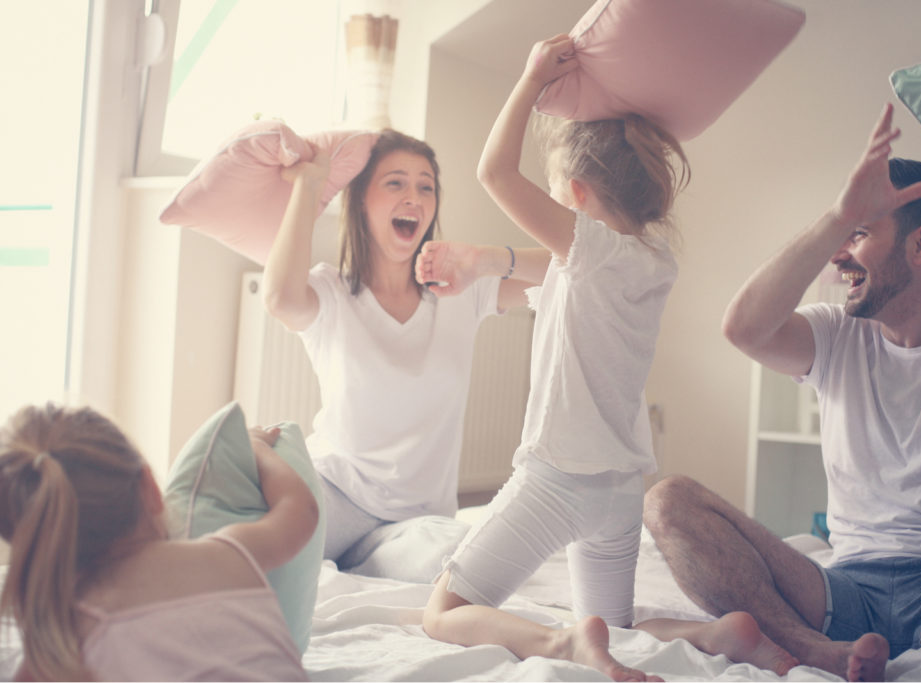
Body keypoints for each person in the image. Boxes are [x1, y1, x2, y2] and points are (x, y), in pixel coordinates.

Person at [421, 34, 798, 682]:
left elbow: (493, 174)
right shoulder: (653, 261)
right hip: (620, 486)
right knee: (616, 627)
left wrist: (530, 80)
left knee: (444, 609)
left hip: (557, 479)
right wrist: (484, 259)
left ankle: (562, 644)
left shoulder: (590, 250)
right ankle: (715, 632)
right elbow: (557, 266)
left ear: (575, 192)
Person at [644, 102, 921, 681]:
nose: (840, 254)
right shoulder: (837, 333)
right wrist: (840, 214)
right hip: (841, 592)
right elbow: (743, 328)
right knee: (666, 501)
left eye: (861, 235)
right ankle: (815, 650)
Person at [263, 129, 538, 579]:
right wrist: (309, 185)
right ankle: (338, 554)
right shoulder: (331, 292)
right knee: (257, 546)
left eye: (425, 186)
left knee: (459, 556)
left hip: (418, 519)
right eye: (395, 183)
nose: (414, 196)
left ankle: (353, 560)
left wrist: (485, 258)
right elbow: (280, 300)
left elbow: (571, 268)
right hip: (337, 491)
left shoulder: (462, 292)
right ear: (362, 202)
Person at [0, 402, 317, 681]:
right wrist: (255, 448)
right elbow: (301, 510)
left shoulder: (66, 635)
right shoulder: (230, 552)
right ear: (149, 487)